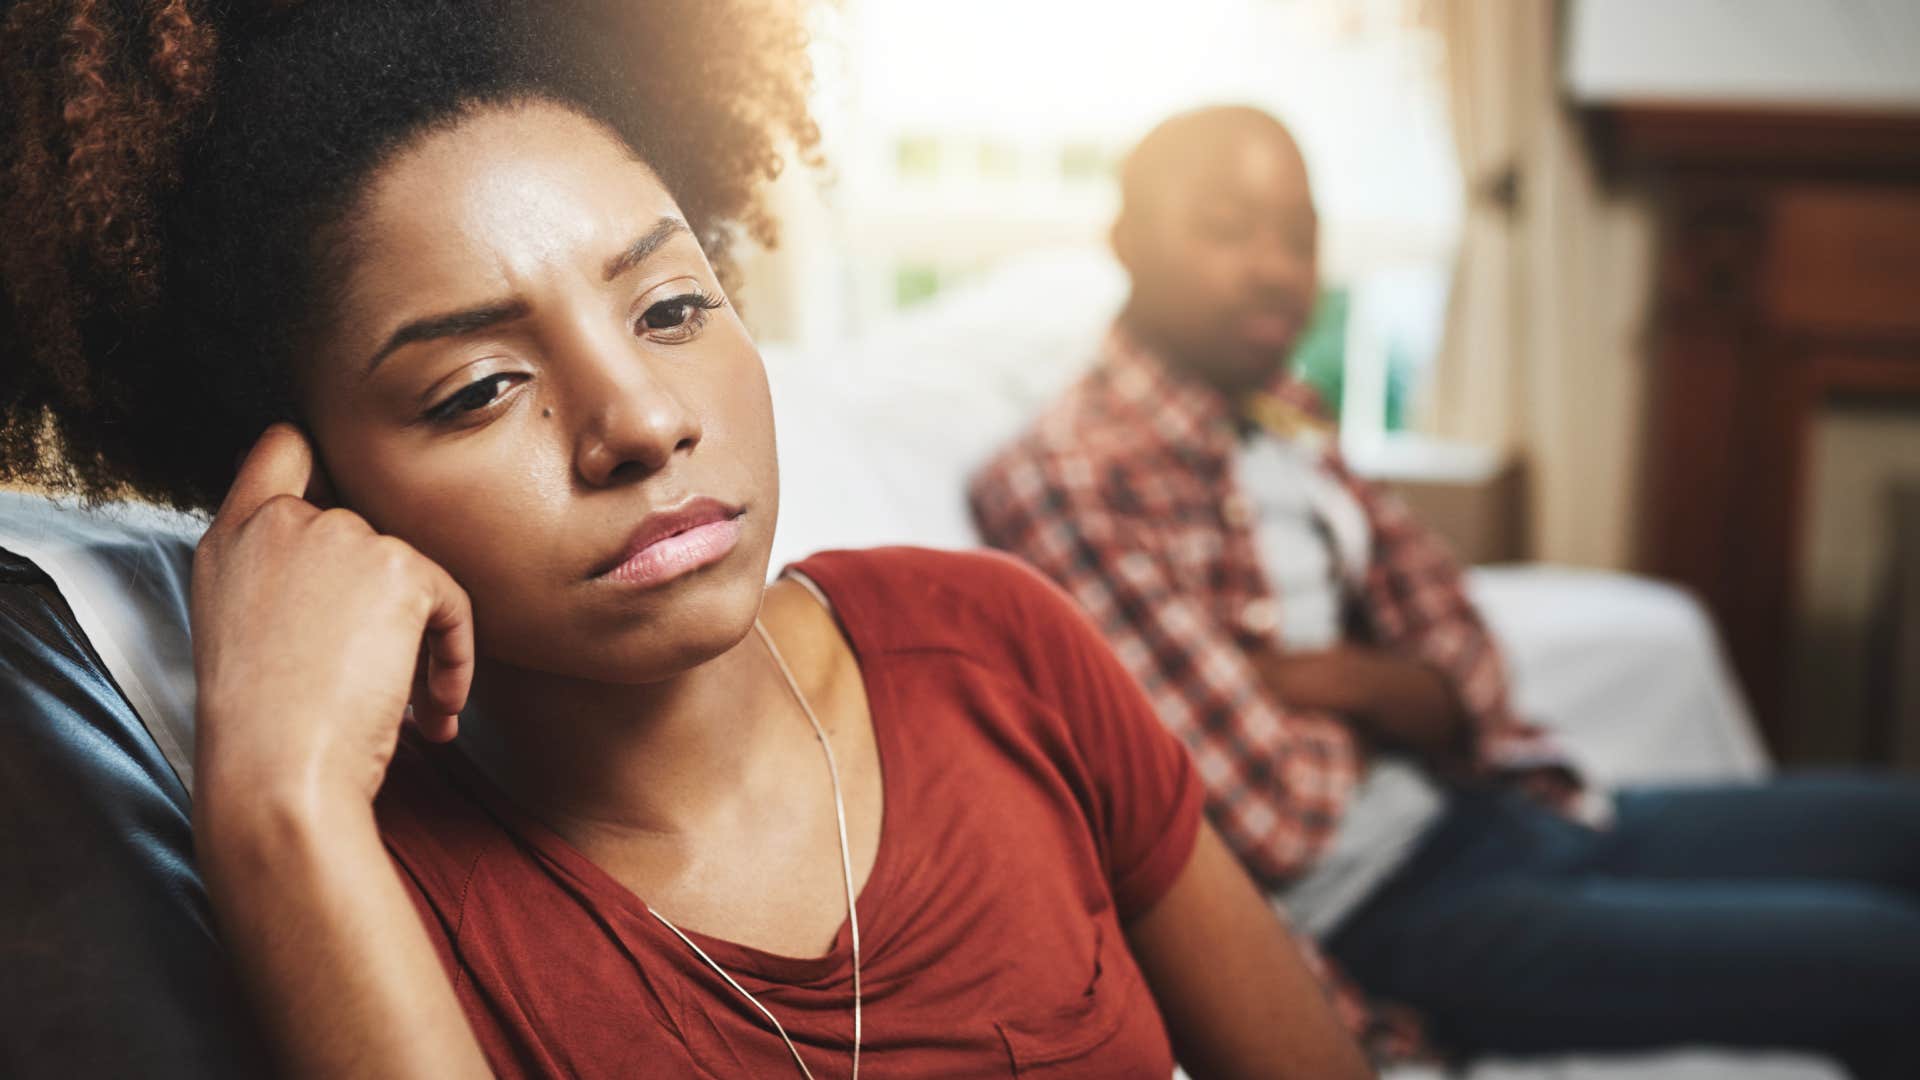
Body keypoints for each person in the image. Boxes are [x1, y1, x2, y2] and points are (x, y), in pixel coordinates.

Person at [0, 8, 1371, 1078]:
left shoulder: (995, 645)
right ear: (312, 489)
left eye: (669, 308)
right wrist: (279, 812)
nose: (642, 423)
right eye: (478, 389)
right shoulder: (366, 897)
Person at [969, 104, 1920, 1077]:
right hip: (1394, 910)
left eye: (1299, 236)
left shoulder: (1283, 411)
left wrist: (1345, 683)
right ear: (1127, 241)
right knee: (1889, 957)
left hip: (1509, 807)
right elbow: (1280, 815)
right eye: (1224, 228)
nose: (1273, 267)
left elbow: (1467, 651)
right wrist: (1406, 694)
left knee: (1901, 824)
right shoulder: (1072, 476)